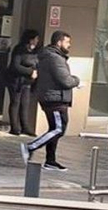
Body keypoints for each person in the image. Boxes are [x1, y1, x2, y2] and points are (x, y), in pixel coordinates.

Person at [24, 30, 77, 172]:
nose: (69, 45)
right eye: (67, 42)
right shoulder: (55, 58)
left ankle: (50, 160)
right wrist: (76, 81)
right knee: (58, 129)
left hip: (51, 97)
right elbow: (65, 80)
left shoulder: (49, 56)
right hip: (55, 99)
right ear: (59, 42)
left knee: (54, 129)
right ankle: (31, 147)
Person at [6, 30, 40, 136]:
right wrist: (30, 72)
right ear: (30, 39)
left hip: (27, 82)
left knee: (25, 103)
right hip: (16, 81)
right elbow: (15, 66)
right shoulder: (19, 49)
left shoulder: (35, 51)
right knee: (15, 102)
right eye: (36, 38)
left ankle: (25, 127)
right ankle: (14, 127)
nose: (37, 41)